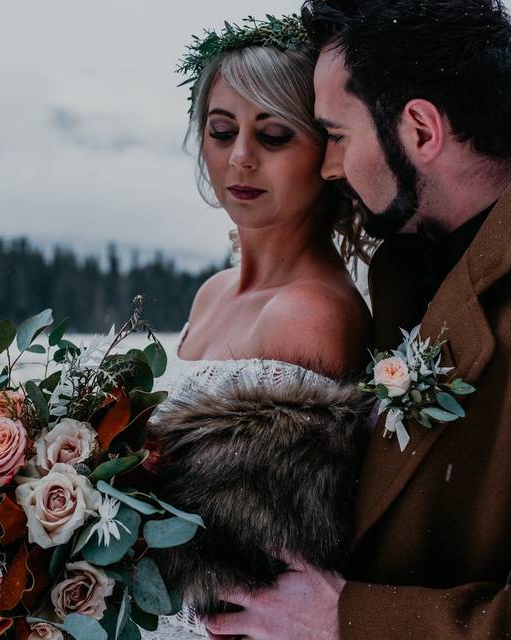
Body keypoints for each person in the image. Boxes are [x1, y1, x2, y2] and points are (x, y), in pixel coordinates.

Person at [202, 1, 511, 639]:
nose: (329, 167)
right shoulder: (408, 259)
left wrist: (350, 620)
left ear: (421, 131)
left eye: (337, 136)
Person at [141, 14, 373, 640]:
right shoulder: (213, 293)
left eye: (272, 135)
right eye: (222, 131)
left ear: (325, 154)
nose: (240, 158)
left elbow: (251, 573)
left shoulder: (311, 312)